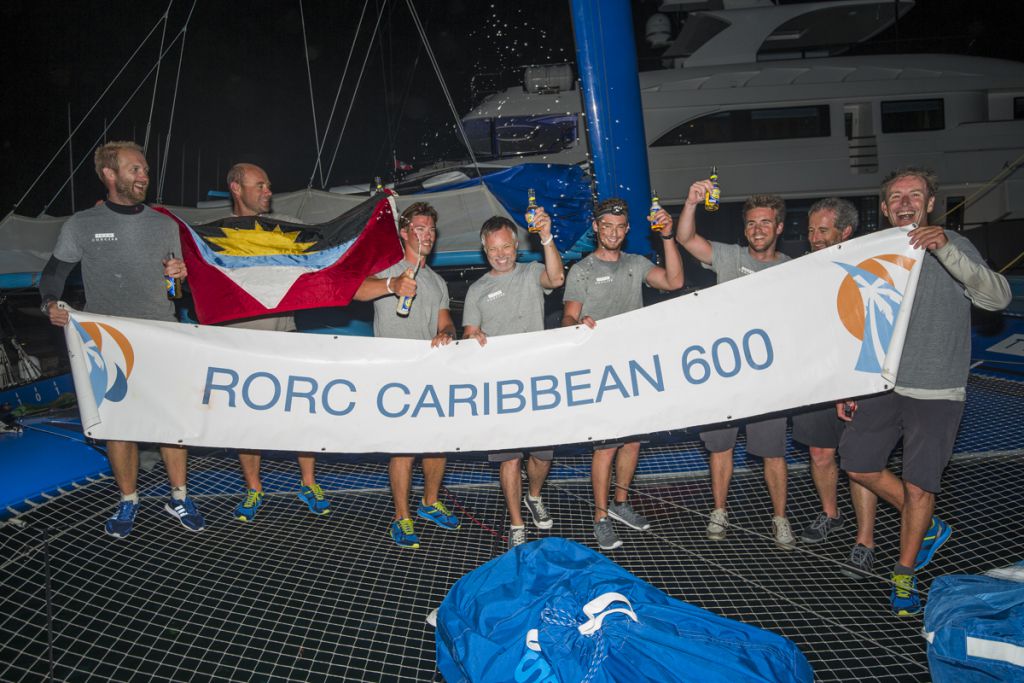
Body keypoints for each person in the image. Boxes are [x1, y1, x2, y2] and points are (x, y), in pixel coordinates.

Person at [837, 167, 1010, 615]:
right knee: (856, 461)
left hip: (937, 389)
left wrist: (946, 250)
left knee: (919, 485)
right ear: (884, 207)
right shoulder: (871, 250)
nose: (905, 201)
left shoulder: (954, 245)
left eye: (915, 194)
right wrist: (847, 382)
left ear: (930, 202)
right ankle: (929, 526)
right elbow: (851, 319)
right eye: (896, 196)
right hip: (883, 384)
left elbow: (997, 300)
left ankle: (904, 573)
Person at [38, 140, 205, 538]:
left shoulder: (164, 225)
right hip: (107, 341)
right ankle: (128, 499)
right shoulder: (80, 225)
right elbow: (52, 276)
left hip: (161, 334)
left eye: (144, 168)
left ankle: (179, 495)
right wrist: (49, 305)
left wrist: (180, 277)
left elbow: (174, 291)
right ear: (109, 174)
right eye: (134, 169)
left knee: (171, 422)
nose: (143, 175)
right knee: (119, 426)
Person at [561, 197, 684, 551]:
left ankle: (620, 503)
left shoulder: (636, 263)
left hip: (635, 367)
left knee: (632, 440)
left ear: (627, 230)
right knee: (606, 446)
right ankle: (600, 517)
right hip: (600, 369)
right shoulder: (581, 270)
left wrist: (668, 236)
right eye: (606, 226)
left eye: (619, 227)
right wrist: (577, 324)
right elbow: (568, 317)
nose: (613, 232)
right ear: (596, 227)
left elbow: (674, 281)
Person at [675, 184, 794, 548]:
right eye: (752, 223)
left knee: (773, 452)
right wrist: (692, 202)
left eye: (766, 222)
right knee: (720, 448)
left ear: (779, 228)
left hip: (767, 378)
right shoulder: (728, 256)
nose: (758, 229)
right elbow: (685, 237)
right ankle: (719, 511)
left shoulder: (794, 269)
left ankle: (780, 518)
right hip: (724, 374)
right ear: (745, 229)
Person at [219, 163, 331, 522]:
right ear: (236, 188)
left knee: (301, 412)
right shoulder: (216, 235)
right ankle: (254, 488)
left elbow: (324, 255)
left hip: (286, 336)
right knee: (246, 421)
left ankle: (308, 482)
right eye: (260, 185)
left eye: (268, 184)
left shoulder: (284, 229)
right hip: (243, 340)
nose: (268, 191)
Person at [357, 202, 460, 549]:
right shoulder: (387, 267)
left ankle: (429, 503)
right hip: (394, 374)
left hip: (430, 371)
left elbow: (445, 319)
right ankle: (402, 518)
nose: (426, 235)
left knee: (437, 442)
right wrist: (391, 285)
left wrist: (446, 332)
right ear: (403, 232)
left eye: (430, 229)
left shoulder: (436, 280)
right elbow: (355, 291)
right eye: (419, 228)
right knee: (403, 449)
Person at [463, 211, 565, 548]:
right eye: (494, 250)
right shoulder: (477, 290)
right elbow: (469, 332)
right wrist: (472, 336)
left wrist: (547, 237)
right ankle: (517, 522)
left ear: (516, 245)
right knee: (509, 457)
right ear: (484, 250)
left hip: (538, 382)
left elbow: (557, 278)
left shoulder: (532, 272)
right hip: (500, 386)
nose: (501, 254)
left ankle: (533, 496)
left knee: (542, 456)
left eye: (506, 247)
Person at [790, 199, 879, 578]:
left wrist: (855, 382)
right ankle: (831, 514)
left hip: (859, 380)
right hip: (816, 380)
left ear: (845, 232)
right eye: (810, 231)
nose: (814, 238)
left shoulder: (866, 267)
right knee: (821, 454)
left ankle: (865, 541)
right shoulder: (801, 271)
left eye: (822, 231)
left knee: (860, 463)